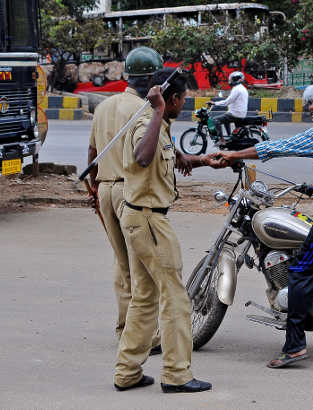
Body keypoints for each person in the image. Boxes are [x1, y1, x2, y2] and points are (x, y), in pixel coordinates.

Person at [216, 80, 313, 368]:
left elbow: (280, 147)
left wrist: (235, 154)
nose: (312, 107)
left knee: (299, 272)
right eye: (309, 102)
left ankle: (295, 345)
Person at [114, 68, 221, 393]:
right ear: (171, 99)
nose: (183, 105)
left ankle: (127, 372)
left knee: (145, 297)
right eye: (182, 100)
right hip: (149, 220)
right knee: (176, 298)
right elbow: (143, 157)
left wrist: (198, 160)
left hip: (141, 218)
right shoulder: (149, 121)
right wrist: (159, 111)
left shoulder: (159, 123)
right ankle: (176, 374)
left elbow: (164, 157)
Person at [87, 46, 163, 355]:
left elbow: (92, 153)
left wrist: (94, 190)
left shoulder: (105, 106)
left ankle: (124, 328)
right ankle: (144, 336)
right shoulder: (145, 109)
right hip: (130, 192)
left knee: (123, 266)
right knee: (143, 267)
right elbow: (147, 157)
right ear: (149, 79)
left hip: (105, 189)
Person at [208, 71, 248, 140]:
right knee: (226, 116)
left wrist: (215, 103)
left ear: (237, 79)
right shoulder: (241, 88)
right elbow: (231, 100)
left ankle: (221, 140)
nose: (231, 80)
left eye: (233, 79)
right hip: (240, 113)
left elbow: (226, 102)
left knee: (215, 120)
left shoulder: (237, 89)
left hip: (235, 114)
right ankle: (230, 137)